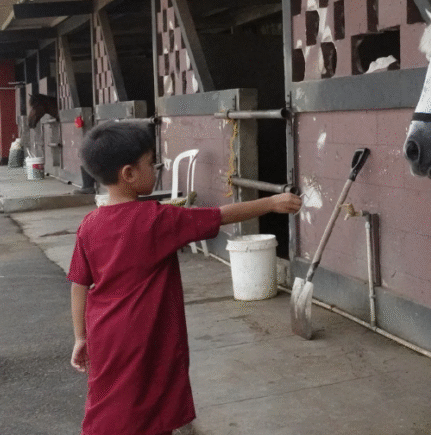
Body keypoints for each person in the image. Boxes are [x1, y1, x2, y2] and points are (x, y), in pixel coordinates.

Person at [68, 121, 301, 435]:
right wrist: (271, 203)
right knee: (150, 405)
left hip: (103, 332)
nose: (156, 170)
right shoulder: (156, 219)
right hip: (145, 335)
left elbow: (79, 284)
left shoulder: (89, 224)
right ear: (129, 174)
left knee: (109, 403)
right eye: (151, 163)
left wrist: (81, 338)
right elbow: (221, 215)